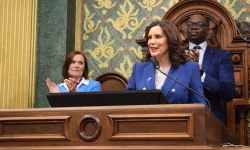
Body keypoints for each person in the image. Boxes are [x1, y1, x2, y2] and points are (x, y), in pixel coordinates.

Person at [127, 20, 207, 106]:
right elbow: (127, 104)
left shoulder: (190, 68)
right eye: (149, 38)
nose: (151, 42)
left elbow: (200, 107)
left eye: (157, 37)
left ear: (170, 39)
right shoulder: (139, 69)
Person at [186, 14, 235, 123]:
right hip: (181, 116)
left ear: (208, 30)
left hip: (212, 119)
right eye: (190, 24)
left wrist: (200, 73)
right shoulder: (176, 55)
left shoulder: (221, 56)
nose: (194, 27)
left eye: (199, 24)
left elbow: (229, 92)